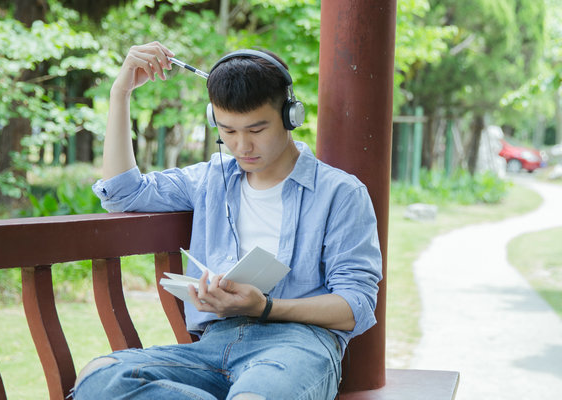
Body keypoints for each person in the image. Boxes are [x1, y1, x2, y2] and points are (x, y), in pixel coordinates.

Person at [73, 41, 382, 400]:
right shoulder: (209, 179)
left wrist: (264, 307)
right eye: (228, 131)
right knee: (99, 379)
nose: (241, 147)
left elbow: (356, 306)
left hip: (299, 346)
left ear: (290, 115)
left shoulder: (340, 193)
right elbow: (122, 192)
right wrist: (120, 92)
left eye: (256, 130)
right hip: (212, 347)